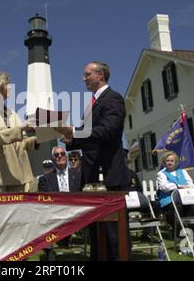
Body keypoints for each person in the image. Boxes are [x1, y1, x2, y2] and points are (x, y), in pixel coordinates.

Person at [55, 61, 130, 261]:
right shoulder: (93, 103)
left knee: (114, 235)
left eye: (87, 74)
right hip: (91, 175)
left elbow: (109, 131)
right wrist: (70, 139)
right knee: (97, 233)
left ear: (101, 75)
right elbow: (89, 137)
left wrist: (75, 131)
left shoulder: (112, 99)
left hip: (108, 174)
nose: (83, 78)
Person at [38, 146, 82, 260]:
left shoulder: (78, 175)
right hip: (54, 215)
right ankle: (50, 254)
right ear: (53, 158)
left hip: (75, 213)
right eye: (57, 155)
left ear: (66, 157)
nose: (60, 156)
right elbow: (42, 202)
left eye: (62, 154)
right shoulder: (45, 179)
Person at [157, 151, 194, 242]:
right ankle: (179, 234)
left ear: (175, 162)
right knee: (175, 207)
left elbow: (190, 184)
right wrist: (179, 186)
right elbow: (164, 187)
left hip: (185, 198)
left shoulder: (182, 171)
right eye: (167, 161)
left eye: (172, 160)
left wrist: (175, 185)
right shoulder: (161, 174)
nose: (169, 162)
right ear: (164, 162)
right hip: (169, 199)